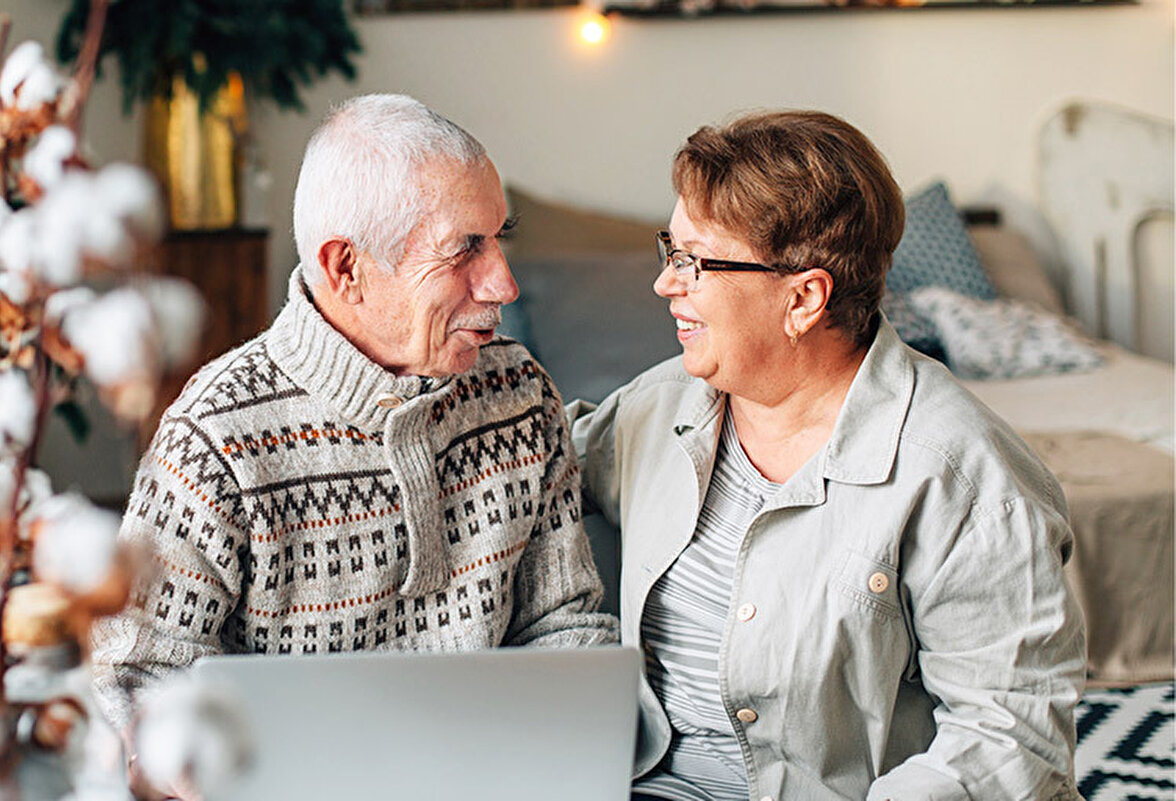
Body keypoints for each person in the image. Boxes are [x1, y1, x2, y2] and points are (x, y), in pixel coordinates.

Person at [570, 110, 1085, 800]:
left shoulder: (965, 475)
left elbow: (1009, 740)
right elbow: (534, 474)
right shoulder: (656, 406)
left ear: (805, 297)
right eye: (671, 249)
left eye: (694, 261)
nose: (667, 283)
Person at [91, 93, 617, 761]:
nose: (503, 283)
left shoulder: (517, 392)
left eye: (500, 237)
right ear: (348, 268)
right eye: (466, 250)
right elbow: (131, 685)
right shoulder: (215, 437)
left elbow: (565, 626)